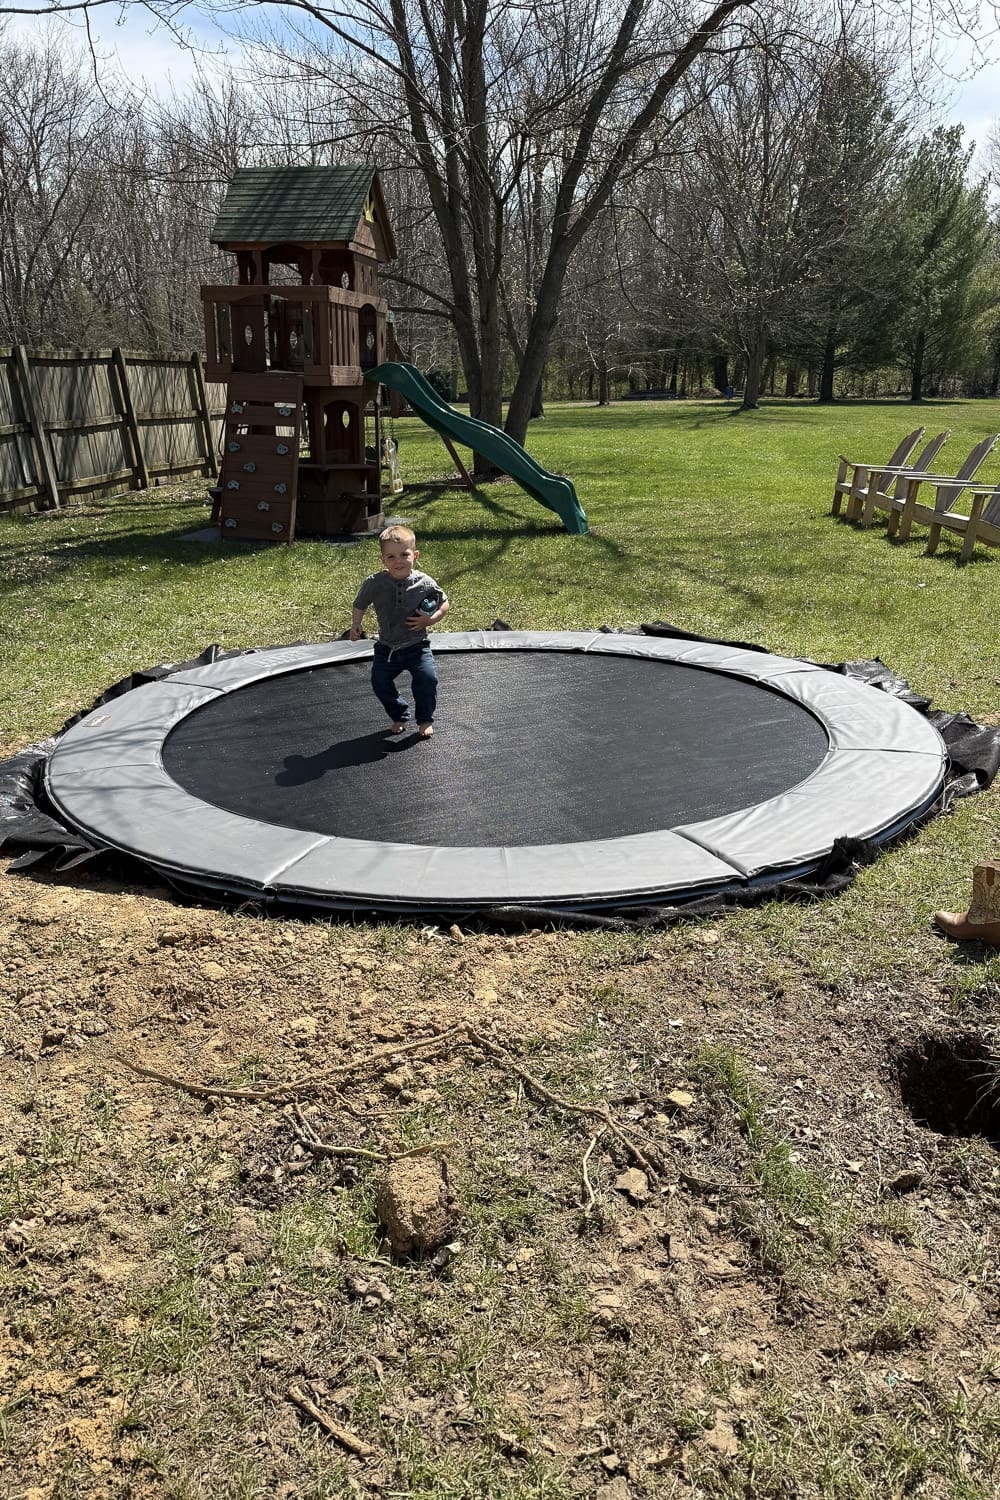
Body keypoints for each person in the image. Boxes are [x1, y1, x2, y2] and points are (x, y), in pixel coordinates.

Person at [350, 525, 449, 739]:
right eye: (391, 556)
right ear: (383, 560)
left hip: (417, 645)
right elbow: (360, 603)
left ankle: (425, 719)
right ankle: (399, 714)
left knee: (427, 679)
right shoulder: (374, 583)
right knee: (379, 682)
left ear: (415, 555)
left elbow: (444, 602)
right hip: (387, 648)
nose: (398, 561)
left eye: (404, 555)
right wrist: (355, 624)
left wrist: (430, 619)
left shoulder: (425, 582)